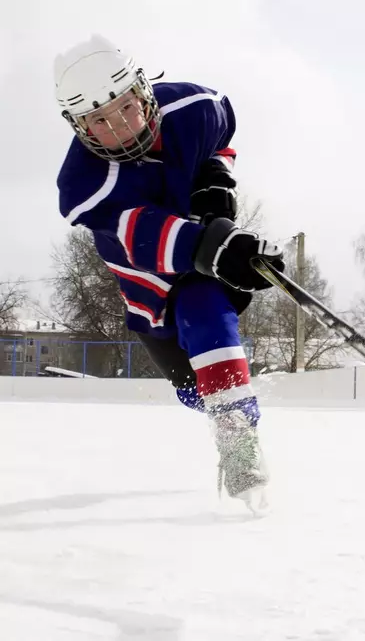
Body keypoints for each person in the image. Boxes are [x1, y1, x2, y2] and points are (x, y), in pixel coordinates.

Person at [53, 34, 285, 511]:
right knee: (192, 391)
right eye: (98, 119)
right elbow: (142, 234)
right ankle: (221, 401)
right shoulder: (84, 183)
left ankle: (238, 440)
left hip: (200, 277)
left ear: (143, 91)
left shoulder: (195, 106)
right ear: (78, 125)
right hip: (148, 291)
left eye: (124, 108)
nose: (117, 127)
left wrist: (215, 180)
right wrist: (215, 245)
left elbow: (220, 140)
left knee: (206, 310)